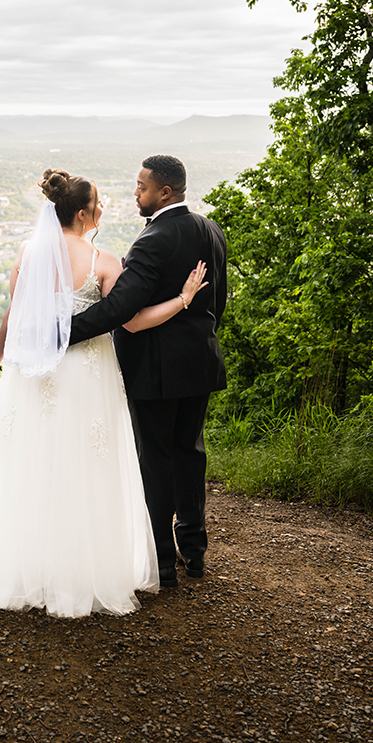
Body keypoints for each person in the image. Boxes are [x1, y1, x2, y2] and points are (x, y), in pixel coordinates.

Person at [0, 168, 209, 617]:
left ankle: (20, 568)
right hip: (85, 374)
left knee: (32, 463)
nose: (106, 206)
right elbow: (131, 320)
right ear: (82, 213)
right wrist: (184, 299)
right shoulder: (105, 262)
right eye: (99, 202)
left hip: (33, 373)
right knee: (83, 467)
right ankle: (83, 573)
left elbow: (14, 315)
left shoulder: (28, 253)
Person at [66, 155, 228, 589]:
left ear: (165, 192)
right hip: (200, 363)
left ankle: (161, 563)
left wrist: (63, 332)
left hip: (155, 371)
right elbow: (219, 302)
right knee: (190, 454)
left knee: (155, 460)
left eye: (141, 186)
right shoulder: (210, 230)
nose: (136, 193)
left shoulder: (152, 239)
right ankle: (194, 552)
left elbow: (120, 309)